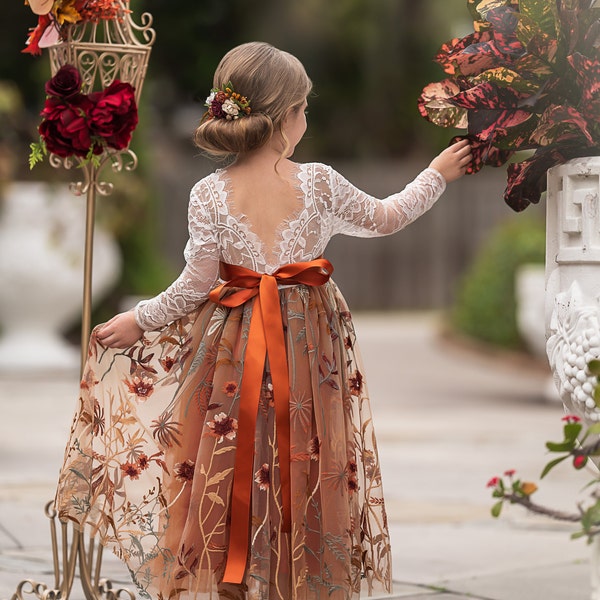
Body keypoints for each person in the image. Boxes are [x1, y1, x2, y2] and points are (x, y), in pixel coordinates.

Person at [55, 41, 471, 600]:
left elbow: (195, 285)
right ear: (283, 118)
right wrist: (436, 173)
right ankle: (295, 581)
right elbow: (387, 217)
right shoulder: (318, 182)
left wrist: (139, 319)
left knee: (228, 457)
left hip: (230, 345)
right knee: (304, 459)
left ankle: (230, 577)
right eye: (303, 108)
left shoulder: (209, 194)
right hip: (309, 343)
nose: (306, 119)